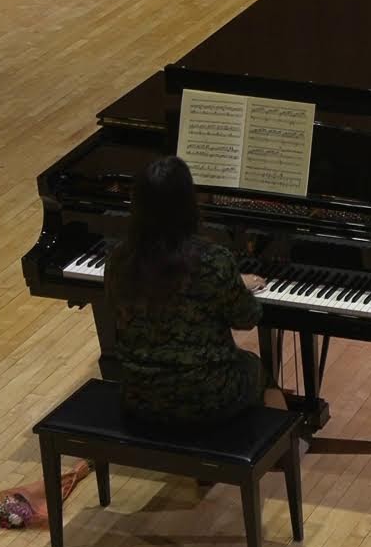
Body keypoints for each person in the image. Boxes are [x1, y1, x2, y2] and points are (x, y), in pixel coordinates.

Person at [104, 155, 286, 425]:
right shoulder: (213, 260)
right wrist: (236, 282)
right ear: (189, 203)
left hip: (139, 395)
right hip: (208, 397)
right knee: (258, 368)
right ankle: (290, 443)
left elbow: (115, 311)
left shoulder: (118, 258)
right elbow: (248, 318)